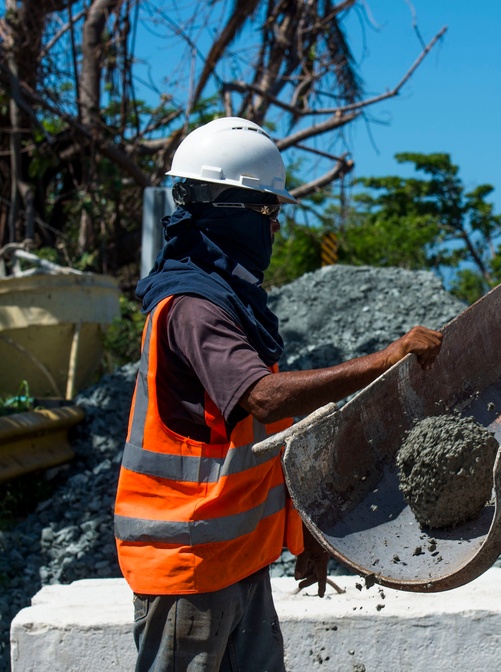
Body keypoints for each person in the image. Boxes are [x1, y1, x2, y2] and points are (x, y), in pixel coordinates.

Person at [113, 116, 443, 672]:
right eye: (268, 212)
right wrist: (387, 360)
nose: (275, 228)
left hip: (236, 560)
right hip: (190, 567)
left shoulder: (228, 303)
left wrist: (306, 529)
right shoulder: (196, 308)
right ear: (228, 211)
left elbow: (257, 436)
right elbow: (265, 399)